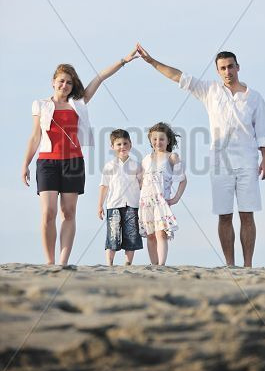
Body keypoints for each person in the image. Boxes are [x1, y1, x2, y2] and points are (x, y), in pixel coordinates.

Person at [137, 44, 265, 268]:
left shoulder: (254, 97)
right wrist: (152, 62)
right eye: (222, 68)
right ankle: (230, 264)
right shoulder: (210, 91)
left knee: (247, 215)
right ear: (217, 71)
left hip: (248, 161)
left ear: (238, 67)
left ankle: (248, 266)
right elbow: (178, 76)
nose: (227, 71)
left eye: (230, 67)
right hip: (220, 163)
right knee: (224, 215)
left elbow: (262, 131)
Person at [22, 48, 139, 265]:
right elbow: (35, 136)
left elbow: (100, 77)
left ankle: (63, 262)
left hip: (74, 162)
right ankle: (49, 262)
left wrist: (124, 60)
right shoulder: (40, 105)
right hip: (47, 162)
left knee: (68, 212)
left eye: (68, 82)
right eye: (61, 81)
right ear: (53, 82)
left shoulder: (79, 103)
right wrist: (25, 164)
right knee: (48, 213)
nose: (64, 85)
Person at [139, 122, 187, 266]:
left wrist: (176, 198)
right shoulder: (146, 159)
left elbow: (183, 180)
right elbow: (141, 181)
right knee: (150, 234)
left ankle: (161, 265)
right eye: (154, 139)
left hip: (161, 200)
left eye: (161, 139)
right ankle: (153, 265)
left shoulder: (172, 157)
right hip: (146, 201)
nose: (158, 142)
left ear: (168, 140)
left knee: (161, 233)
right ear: (150, 140)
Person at [98, 129, 143, 266]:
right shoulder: (109, 166)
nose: (122, 147)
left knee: (131, 235)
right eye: (118, 144)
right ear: (112, 147)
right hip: (113, 205)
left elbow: (142, 184)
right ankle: (109, 263)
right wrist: (99, 205)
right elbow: (104, 186)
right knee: (113, 235)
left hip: (132, 205)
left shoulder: (136, 165)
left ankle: (128, 263)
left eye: (125, 143)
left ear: (130, 145)